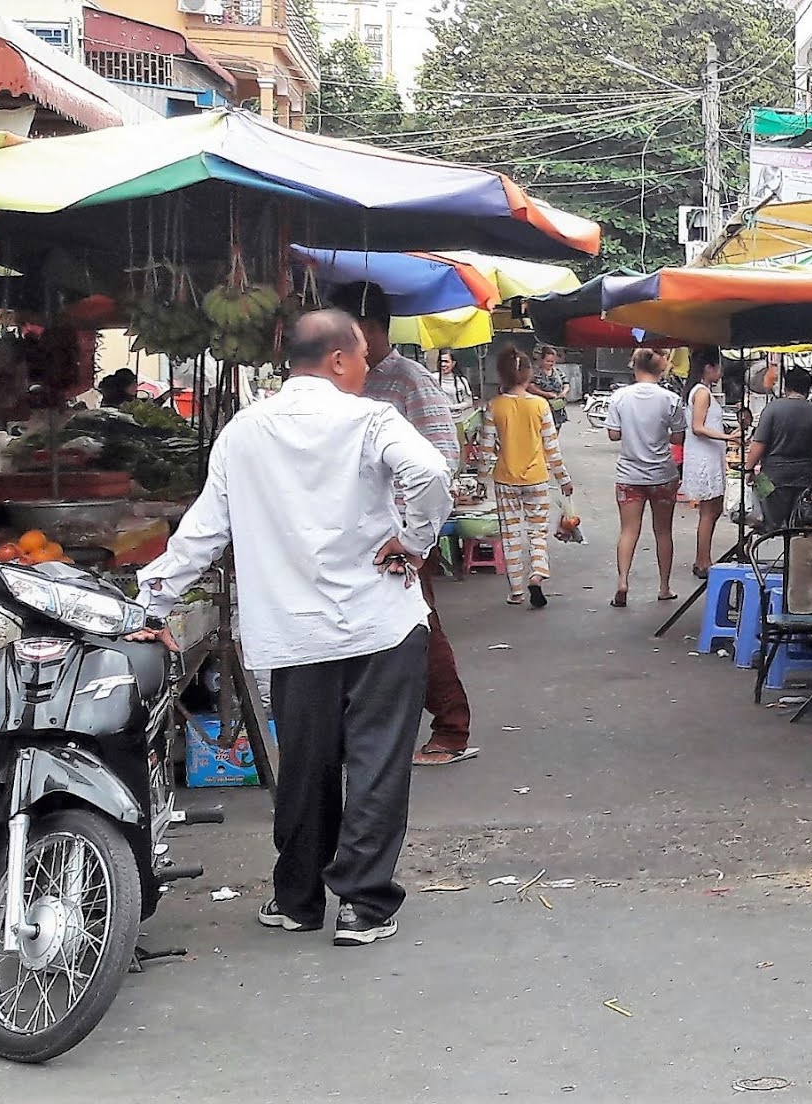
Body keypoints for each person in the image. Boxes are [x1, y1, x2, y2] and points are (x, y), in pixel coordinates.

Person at [134, 309, 450, 947]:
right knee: (377, 763)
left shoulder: (243, 433)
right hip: (381, 623)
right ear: (337, 359)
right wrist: (413, 539)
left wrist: (149, 601)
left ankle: (298, 899)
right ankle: (363, 906)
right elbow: (432, 474)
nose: (366, 369)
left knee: (304, 764)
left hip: (294, 633)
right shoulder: (371, 422)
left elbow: (201, 535)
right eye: (361, 357)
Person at [327, 281, 476, 769]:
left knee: (418, 625)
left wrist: (411, 534)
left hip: (398, 535)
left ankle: (451, 727)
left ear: (367, 330)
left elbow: (443, 457)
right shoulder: (340, 385)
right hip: (347, 532)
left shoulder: (409, 380)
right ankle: (367, 732)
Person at [471, 348, 573, 614]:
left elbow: (486, 448)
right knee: (537, 532)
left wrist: (481, 480)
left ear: (502, 374)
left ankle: (516, 591)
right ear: (529, 374)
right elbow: (552, 447)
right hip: (537, 478)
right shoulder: (540, 405)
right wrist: (563, 479)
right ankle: (537, 574)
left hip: (505, 479)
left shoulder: (495, 406)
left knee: (511, 534)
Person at [605, 348, 686, 607]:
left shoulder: (619, 397)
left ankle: (622, 581)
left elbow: (613, 435)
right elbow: (678, 438)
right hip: (663, 474)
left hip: (629, 475)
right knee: (663, 532)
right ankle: (664, 587)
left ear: (634, 366)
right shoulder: (671, 399)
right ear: (659, 368)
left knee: (628, 530)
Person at [743, 365, 812, 528]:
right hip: (805, 478)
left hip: (772, 478)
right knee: (799, 523)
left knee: (766, 515)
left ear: (785, 387)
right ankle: (795, 547)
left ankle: (765, 532)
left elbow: (759, 444)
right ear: (808, 388)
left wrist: (748, 469)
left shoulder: (772, 409)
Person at [680, 363, 735, 577]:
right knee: (708, 511)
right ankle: (703, 560)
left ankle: (703, 557)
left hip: (709, 454)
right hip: (704, 457)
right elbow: (698, 427)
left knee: (713, 510)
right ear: (708, 368)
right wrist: (727, 437)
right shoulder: (702, 393)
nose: (720, 372)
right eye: (718, 367)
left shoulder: (700, 391)